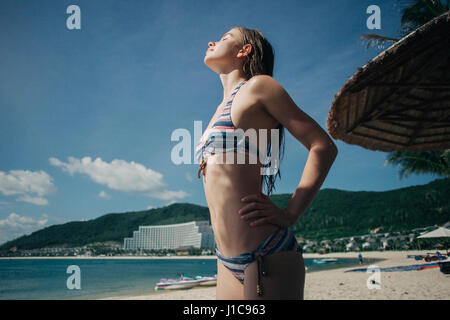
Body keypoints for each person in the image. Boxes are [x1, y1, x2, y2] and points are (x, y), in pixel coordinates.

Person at [196, 26, 338, 300]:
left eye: (225, 38)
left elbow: (323, 146)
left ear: (243, 50)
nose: (212, 40)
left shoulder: (259, 86)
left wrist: (290, 214)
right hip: (226, 259)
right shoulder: (219, 108)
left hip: (265, 252)